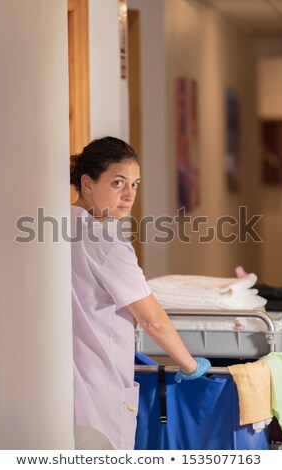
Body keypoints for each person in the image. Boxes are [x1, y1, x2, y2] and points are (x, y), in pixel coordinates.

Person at [70, 136, 211, 450]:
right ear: (87, 183)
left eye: (134, 184)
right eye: (118, 182)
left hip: (59, 391)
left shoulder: (56, 223)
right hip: (98, 388)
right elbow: (153, 321)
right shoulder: (107, 243)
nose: (129, 195)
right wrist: (189, 365)